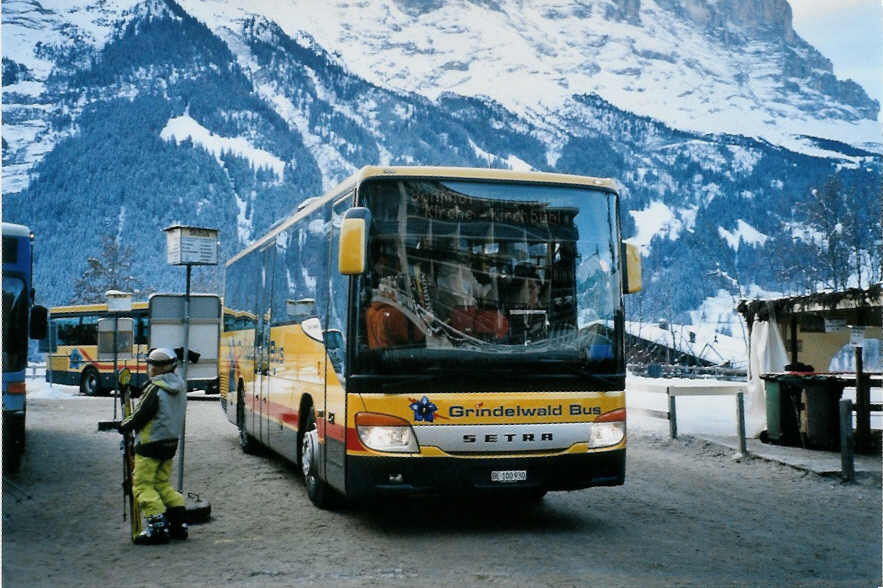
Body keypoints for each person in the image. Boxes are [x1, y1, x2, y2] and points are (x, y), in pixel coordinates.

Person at [118, 347, 188, 544]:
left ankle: (157, 528)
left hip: (149, 445)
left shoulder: (154, 388)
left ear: (158, 368)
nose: (149, 368)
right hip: (170, 443)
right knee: (162, 484)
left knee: (142, 486)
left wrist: (124, 426)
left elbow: (141, 415)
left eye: (151, 365)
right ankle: (178, 524)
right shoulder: (180, 387)